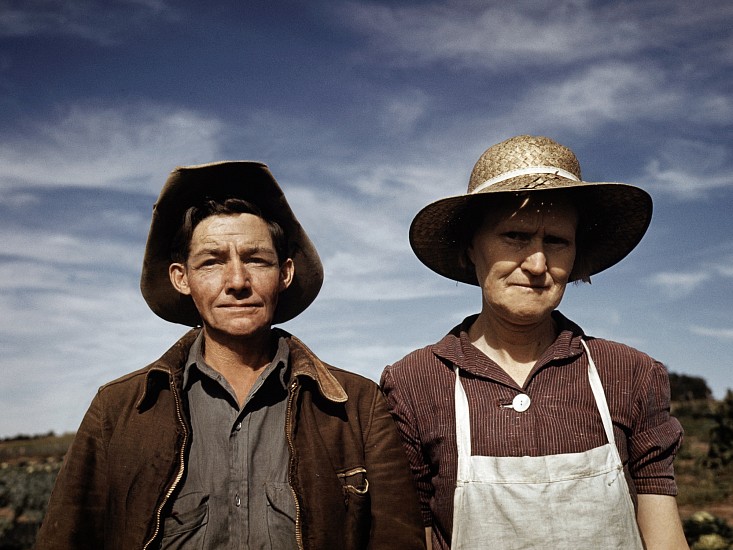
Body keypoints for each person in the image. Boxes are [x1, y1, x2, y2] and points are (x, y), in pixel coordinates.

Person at [35, 161, 425, 549]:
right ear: (181, 277)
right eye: (212, 262)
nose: (237, 282)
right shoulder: (118, 411)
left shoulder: (357, 406)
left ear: (285, 273)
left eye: (256, 260)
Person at [380, 135, 689, 550]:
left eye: (557, 242)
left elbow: (664, 537)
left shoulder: (630, 373)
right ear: (472, 248)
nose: (538, 264)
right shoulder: (415, 382)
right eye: (515, 236)